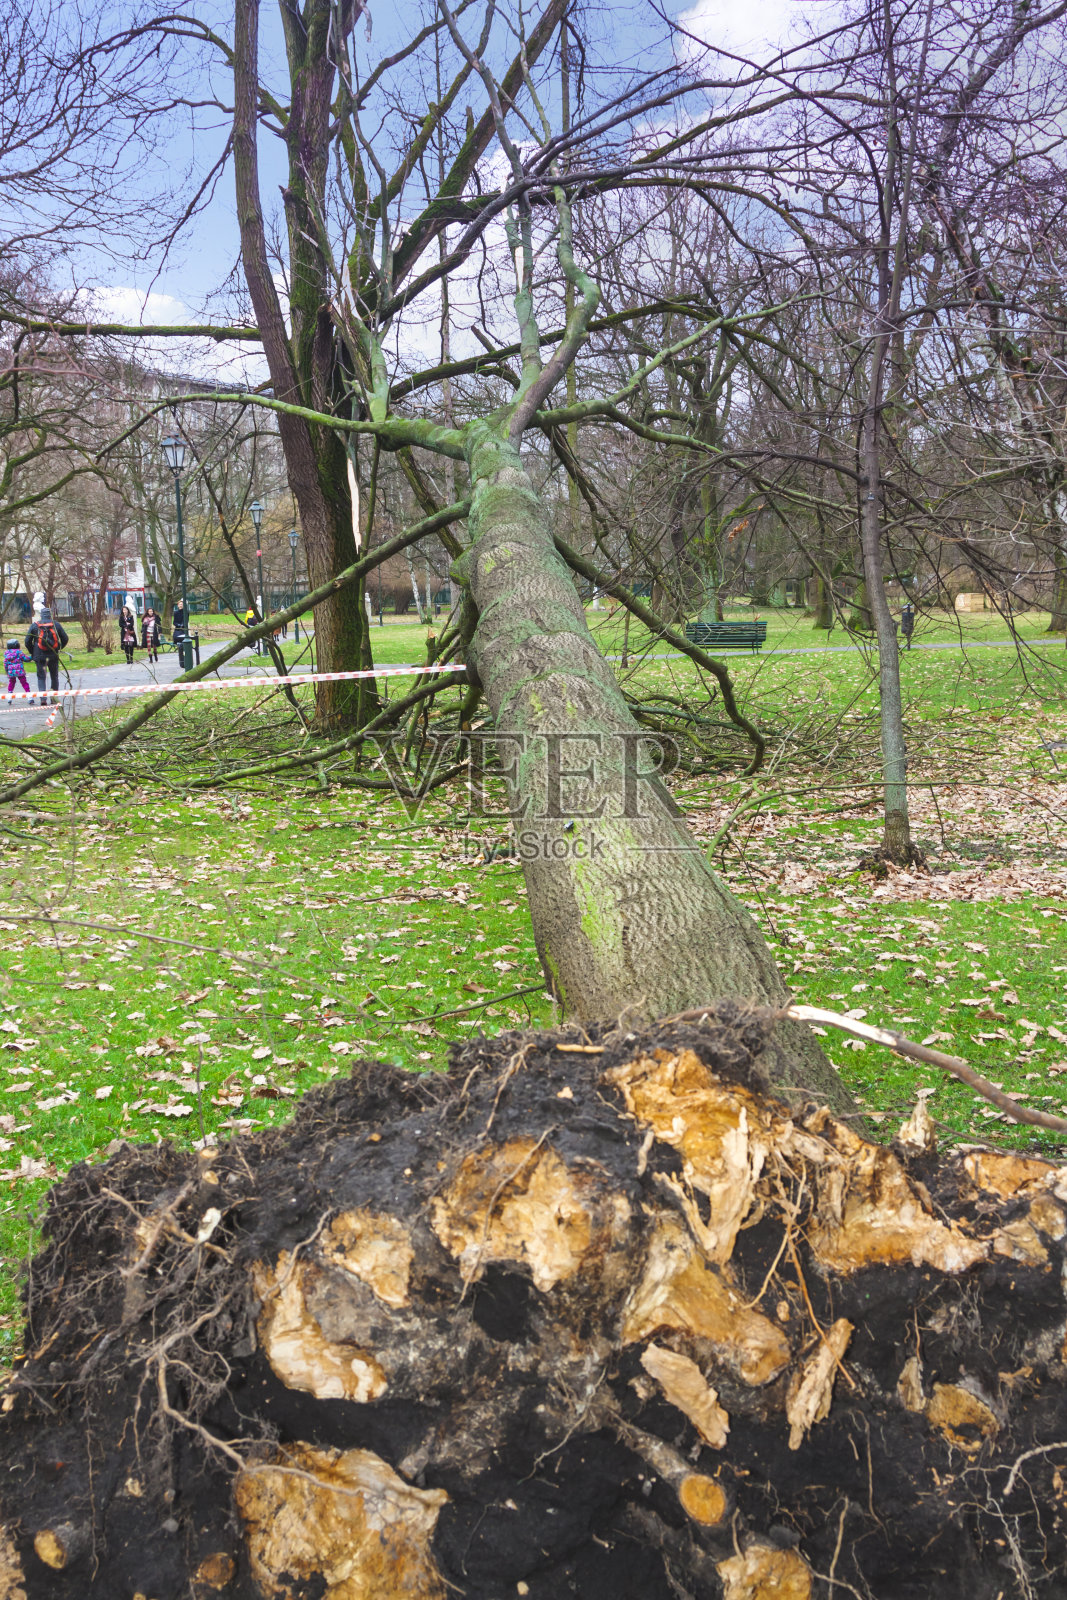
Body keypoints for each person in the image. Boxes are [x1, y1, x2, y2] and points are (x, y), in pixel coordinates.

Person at [24, 606, 68, 705]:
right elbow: (65, 638)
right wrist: (59, 648)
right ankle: (54, 699)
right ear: (50, 615)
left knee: (41, 677)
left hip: (39, 656)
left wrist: (33, 652)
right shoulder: (56, 625)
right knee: (54, 676)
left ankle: (43, 699)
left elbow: (27, 641)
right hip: (53, 655)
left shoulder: (35, 626)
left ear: (41, 615)